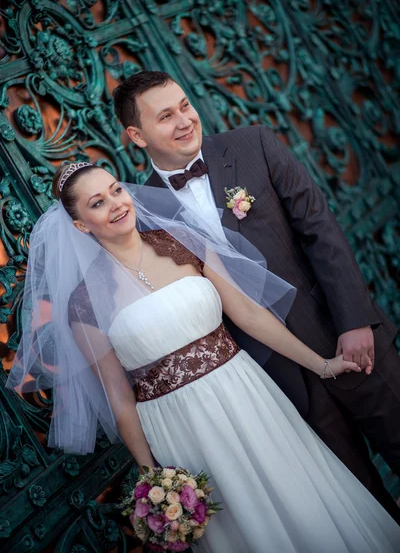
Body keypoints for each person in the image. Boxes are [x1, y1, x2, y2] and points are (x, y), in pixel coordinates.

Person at [7, 163, 400, 552]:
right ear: (80, 225)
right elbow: (119, 397)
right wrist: (152, 477)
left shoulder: (182, 240)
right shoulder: (84, 304)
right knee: (242, 522)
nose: (116, 203)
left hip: (247, 393)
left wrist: (321, 364)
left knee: (298, 494)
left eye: (116, 190)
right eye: (97, 202)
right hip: (180, 426)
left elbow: (248, 314)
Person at [113, 71, 400, 521]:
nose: (185, 120)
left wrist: (354, 321)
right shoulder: (144, 212)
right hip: (272, 378)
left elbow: (320, 231)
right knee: (359, 501)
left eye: (185, 106)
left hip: (342, 334)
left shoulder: (254, 144)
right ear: (136, 135)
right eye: (165, 116)